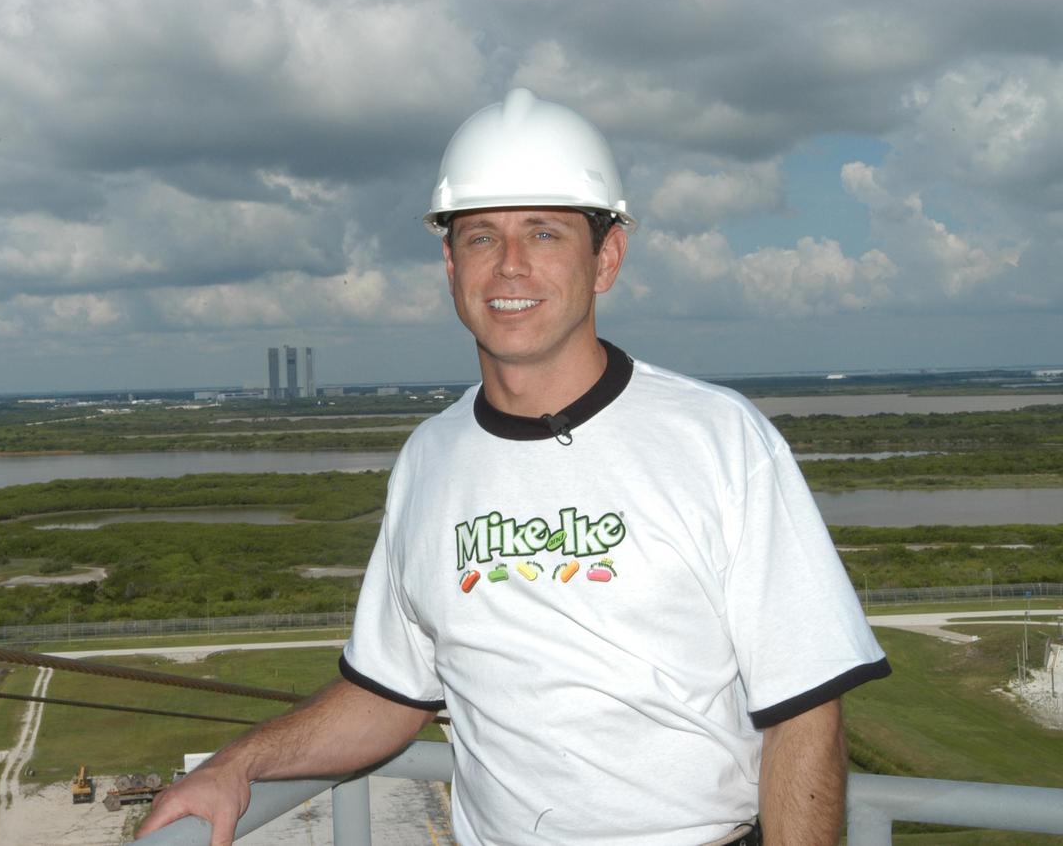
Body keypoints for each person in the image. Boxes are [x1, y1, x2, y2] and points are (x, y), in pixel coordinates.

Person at [138, 88, 890, 846]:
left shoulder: (720, 440)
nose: (510, 266)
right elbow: (390, 694)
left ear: (607, 257)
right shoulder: (430, 459)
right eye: (480, 237)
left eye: (545, 233)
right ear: (449, 261)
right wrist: (239, 762)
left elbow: (805, 711)